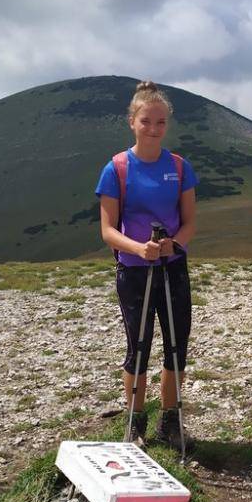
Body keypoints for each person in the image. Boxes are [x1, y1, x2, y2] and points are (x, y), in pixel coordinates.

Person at [95, 80, 199, 451]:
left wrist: (174, 244)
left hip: (172, 268)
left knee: (176, 347)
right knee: (137, 348)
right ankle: (135, 422)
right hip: (134, 270)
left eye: (160, 122)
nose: (153, 128)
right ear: (132, 122)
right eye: (146, 121)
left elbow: (189, 222)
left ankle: (170, 421)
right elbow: (108, 230)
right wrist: (140, 249)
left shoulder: (179, 167)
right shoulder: (117, 169)